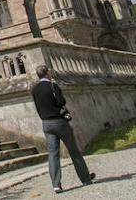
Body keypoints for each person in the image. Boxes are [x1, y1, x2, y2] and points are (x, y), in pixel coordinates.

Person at [30, 65, 94, 193]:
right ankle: (85, 178)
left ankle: (56, 184)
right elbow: (61, 102)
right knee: (73, 151)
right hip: (59, 122)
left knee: (53, 154)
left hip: (46, 124)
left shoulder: (34, 89)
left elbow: (37, 107)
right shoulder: (53, 86)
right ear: (47, 73)